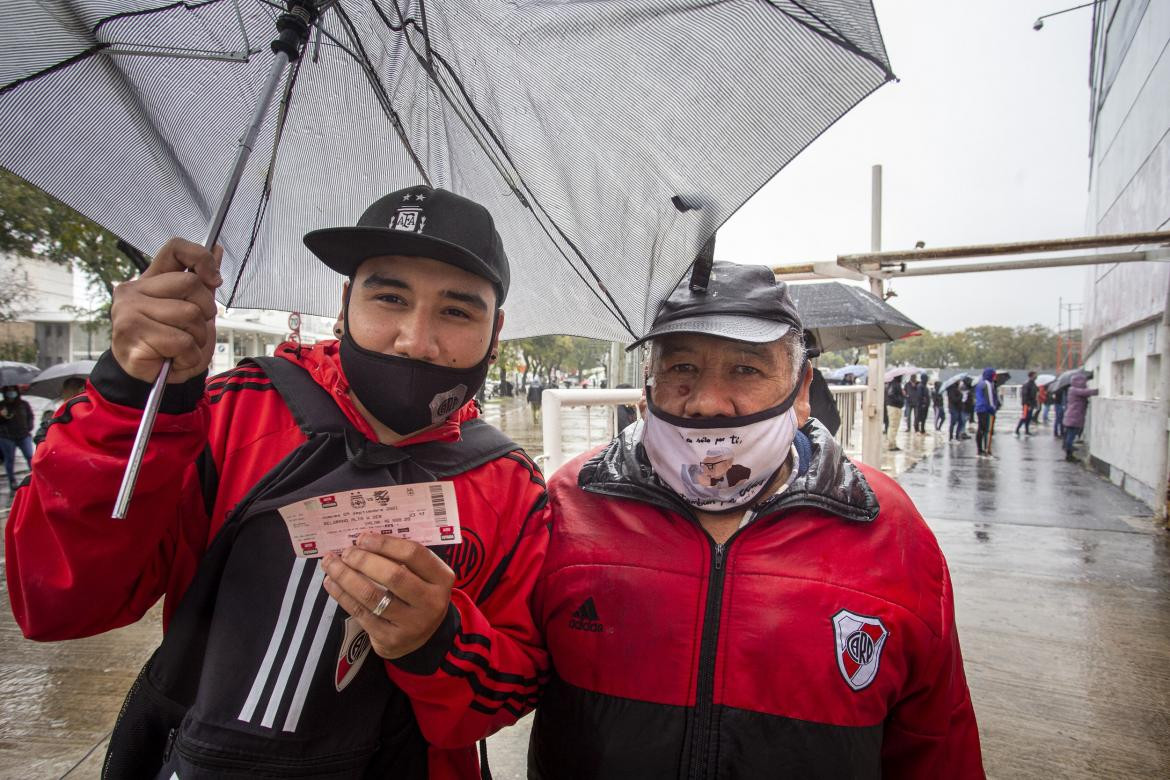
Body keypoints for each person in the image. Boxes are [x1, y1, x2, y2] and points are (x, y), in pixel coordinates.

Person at [6, 186, 550, 779]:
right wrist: (129, 398)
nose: (415, 340)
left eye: (456, 311)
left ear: (495, 333)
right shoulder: (229, 411)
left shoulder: (510, 485)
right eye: (389, 297)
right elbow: (59, 605)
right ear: (344, 304)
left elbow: (506, 694)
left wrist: (436, 641)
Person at [529, 262, 984, 777]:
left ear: (802, 387)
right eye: (681, 369)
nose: (707, 403)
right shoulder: (568, 502)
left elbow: (937, 742)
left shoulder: (886, 525)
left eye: (746, 370)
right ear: (646, 387)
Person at [0, 385, 36, 491]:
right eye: (9, 391)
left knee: (30, 456)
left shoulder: (23, 404)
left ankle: (35, 478)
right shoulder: (2, 405)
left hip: (24, 435)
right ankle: (12, 481)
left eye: (13, 390)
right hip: (7, 437)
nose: (11, 393)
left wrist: (29, 427)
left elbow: (30, 416)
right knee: (9, 459)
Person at [33, 376, 87, 446]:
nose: (85, 392)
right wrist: (54, 446)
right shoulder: (55, 407)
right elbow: (41, 435)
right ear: (78, 390)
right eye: (84, 389)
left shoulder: (84, 406)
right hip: (60, 450)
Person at [1061, 372, 1098, 462]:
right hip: (1074, 417)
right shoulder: (1074, 390)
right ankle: (1069, 455)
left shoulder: (1071, 389)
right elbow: (1088, 392)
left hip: (1071, 416)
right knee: (1071, 436)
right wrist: (1099, 390)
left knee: (1070, 435)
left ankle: (1068, 453)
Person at [974, 367, 999, 457]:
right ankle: (984, 449)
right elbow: (990, 398)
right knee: (984, 430)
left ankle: (980, 449)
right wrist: (993, 409)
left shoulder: (980, 383)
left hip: (979, 408)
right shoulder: (987, 384)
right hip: (985, 409)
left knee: (981, 429)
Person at [885, 375, 905, 450]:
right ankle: (891, 445)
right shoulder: (894, 385)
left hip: (895, 407)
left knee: (894, 426)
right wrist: (900, 398)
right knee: (893, 426)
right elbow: (891, 395)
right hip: (894, 407)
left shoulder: (895, 384)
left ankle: (893, 443)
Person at [1015, 371, 1038, 436]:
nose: (1036, 376)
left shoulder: (1033, 384)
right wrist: (1028, 404)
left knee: (1029, 418)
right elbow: (1025, 395)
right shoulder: (1027, 384)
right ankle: (1017, 430)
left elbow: (1034, 394)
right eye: (1035, 375)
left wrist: (1034, 404)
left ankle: (1027, 431)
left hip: (1031, 404)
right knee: (1024, 417)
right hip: (1027, 404)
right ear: (1031, 375)